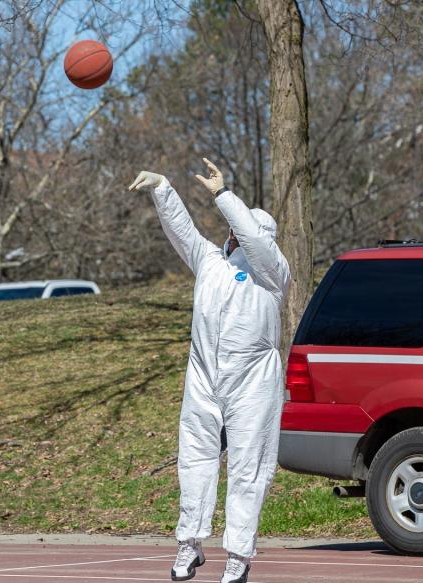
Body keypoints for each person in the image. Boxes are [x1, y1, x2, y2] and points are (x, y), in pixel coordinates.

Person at [129, 160, 290, 583]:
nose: (234, 236)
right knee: (195, 460)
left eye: (242, 230)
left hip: (252, 378)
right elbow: (182, 232)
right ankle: (189, 543)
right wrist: (163, 187)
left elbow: (254, 237)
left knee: (247, 467)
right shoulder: (211, 264)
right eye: (233, 230)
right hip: (203, 374)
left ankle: (238, 553)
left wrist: (223, 196)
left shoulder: (274, 274)